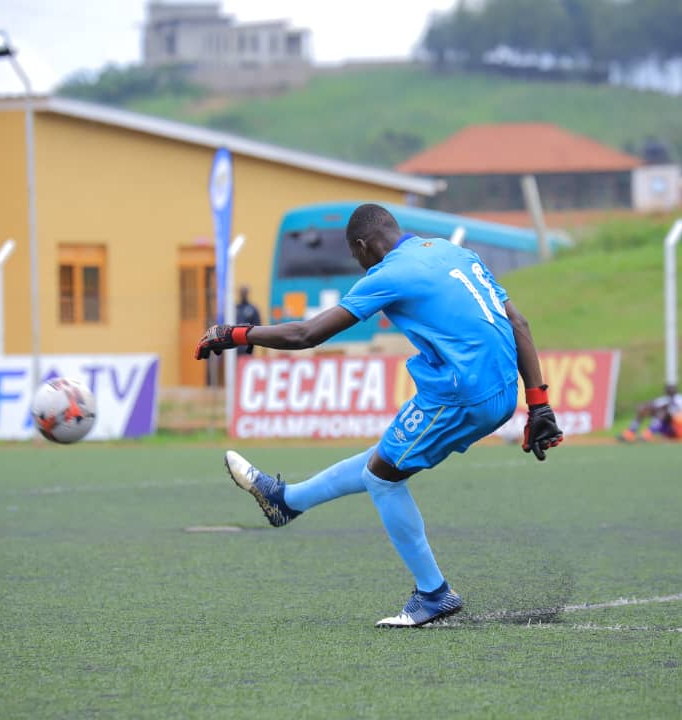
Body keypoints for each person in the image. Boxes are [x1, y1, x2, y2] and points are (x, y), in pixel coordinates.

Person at [195, 203, 563, 628]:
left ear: (363, 245)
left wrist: (234, 334)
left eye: (356, 256)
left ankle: (434, 594)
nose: (359, 264)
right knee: (387, 458)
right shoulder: (454, 252)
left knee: (382, 478)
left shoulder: (389, 274)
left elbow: (306, 334)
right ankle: (286, 501)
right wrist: (539, 404)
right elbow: (518, 322)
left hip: (461, 392)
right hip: (502, 388)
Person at [617, 383, 682, 442]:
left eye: (671, 389)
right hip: (666, 430)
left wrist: (657, 409)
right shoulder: (665, 398)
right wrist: (642, 407)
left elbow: (673, 411)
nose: (669, 390)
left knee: (662, 412)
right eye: (668, 389)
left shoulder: (680, 400)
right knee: (643, 410)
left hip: (678, 430)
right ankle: (631, 432)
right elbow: (653, 404)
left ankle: (648, 434)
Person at [233, 285, 261, 355]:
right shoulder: (235, 309)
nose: (243, 294)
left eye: (245, 292)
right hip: (235, 345)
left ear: (248, 293)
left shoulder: (253, 309)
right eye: (242, 292)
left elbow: (257, 326)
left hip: (247, 344)